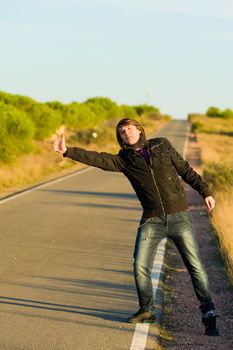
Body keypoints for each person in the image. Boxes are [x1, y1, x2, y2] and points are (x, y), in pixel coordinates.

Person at [54, 118, 219, 336]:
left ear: (139, 130)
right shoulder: (124, 160)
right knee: (140, 266)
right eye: (122, 131)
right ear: (120, 137)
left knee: (195, 266)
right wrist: (68, 151)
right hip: (152, 220)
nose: (126, 133)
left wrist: (205, 191)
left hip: (179, 216)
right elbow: (99, 159)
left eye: (130, 128)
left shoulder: (162, 144)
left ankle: (208, 311)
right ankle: (147, 310)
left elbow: (185, 170)